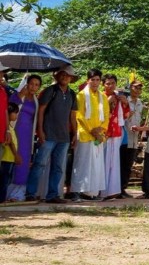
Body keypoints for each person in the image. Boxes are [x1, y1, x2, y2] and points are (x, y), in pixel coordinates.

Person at [25, 65, 79, 203]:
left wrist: (75, 134)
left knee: (58, 167)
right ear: (57, 76)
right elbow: (41, 111)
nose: (65, 77)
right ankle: (30, 193)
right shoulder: (50, 91)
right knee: (39, 164)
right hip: (48, 134)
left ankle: (53, 195)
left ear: (71, 78)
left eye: (68, 75)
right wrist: (41, 131)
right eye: (62, 74)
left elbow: (73, 116)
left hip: (64, 136)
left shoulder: (72, 94)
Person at [71, 69, 109, 200]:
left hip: (98, 136)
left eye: (98, 80)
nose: (95, 82)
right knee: (81, 163)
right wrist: (92, 130)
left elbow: (106, 116)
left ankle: (90, 193)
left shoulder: (103, 97)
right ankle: (76, 191)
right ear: (88, 80)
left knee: (96, 165)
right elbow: (79, 115)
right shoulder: (81, 95)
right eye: (92, 79)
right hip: (84, 134)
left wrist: (101, 130)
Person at [7, 74, 42, 201]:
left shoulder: (36, 100)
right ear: (27, 83)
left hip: (28, 135)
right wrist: (20, 95)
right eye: (32, 83)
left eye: (37, 85)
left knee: (24, 162)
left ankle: (17, 194)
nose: (33, 87)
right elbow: (10, 109)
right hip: (15, 131)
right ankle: (6, 192)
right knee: (12, 159)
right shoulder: (17, 95)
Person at [100, 75, 129, 200]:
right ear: (103, 85)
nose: (110, 85)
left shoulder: (119, 97)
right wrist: (107, 101)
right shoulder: (100, 96)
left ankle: (112, 191)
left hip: (116, 132)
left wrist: (125, 103)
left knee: (113, 163)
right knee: (103, 162)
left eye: (112, 83)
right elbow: (97, 113)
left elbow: (126, 115)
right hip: (103, 133)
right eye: (107, 83)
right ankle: (101, 191)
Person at [120, 80, 145, 196]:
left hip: (135, 138)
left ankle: (123, 188)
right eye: (135, 87)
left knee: (128, 165)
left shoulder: (140, 103)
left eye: (140, 88)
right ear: (130, 87)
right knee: (121, 164)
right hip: (124, 136)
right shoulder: (125, 100)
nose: (137, 90)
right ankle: (118, 188)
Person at [0, 103, 20, 201]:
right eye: (15, 113)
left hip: (10, 159)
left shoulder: (10, 127)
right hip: (6, 158)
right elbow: (11, 143)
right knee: (4, 180)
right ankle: (1, 199)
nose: (16, 115)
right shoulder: (6, 129)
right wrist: (16, 155)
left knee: (6, 180)